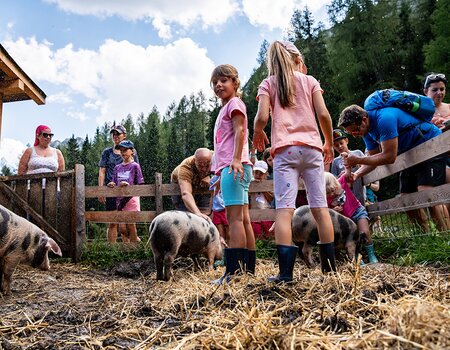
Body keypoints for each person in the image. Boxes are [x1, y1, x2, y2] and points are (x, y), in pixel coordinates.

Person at [253, 40, 336, 282]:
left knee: (284, 211)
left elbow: (262, 117)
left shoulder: (268, 84)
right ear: (298, 60)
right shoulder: (310, 81)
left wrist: (258, 132)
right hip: (311, 150)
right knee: (321, 209)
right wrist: (328, 143)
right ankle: (330, 272)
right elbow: (323, 114)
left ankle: (285, 274)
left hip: (285, 152)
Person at [338, 103, 450, 232]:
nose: (355, 135)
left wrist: (357, 160)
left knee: (426, 192)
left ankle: (444, 237)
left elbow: (389, 157)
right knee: (405, 198)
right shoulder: (366, 132)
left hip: (428, 145)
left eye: (356, 130)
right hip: (409, 154)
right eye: (352, 133)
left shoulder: (384, 119)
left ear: (364, 119)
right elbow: (374, 160)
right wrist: (357, 174)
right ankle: (425, 235)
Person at [210, 64, 255, 284]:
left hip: (234, 166)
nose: (219, 85)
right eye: (215, 82)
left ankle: (233, 272)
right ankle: (248, 269)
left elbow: (240, 131)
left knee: (234, 219)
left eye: (224, 80)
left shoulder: (235, 104)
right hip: (232, 168)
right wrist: (219, 175)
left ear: (235, 83)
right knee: (244, 219)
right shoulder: (225, 108)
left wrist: (235, 160)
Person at [324, 172, 378, 264]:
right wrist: (334, 210)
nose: (332, 194)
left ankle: (371, 254)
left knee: (364, 232)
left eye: (333, 190)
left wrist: (347, 163)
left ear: (335, 183)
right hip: (346, 220)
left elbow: (348, 173)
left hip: (357, 211)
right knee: (352, 239)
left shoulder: (341, 182)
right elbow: (326, 212)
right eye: (328, 193)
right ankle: (356, 257)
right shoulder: (326, 198)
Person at [98, 125, 139, 243]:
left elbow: (136, 171)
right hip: (111, 190)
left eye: (118, 134)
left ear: (124, 135)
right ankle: (112, 251)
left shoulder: (132, 152)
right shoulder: (107, 152)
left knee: (128, 223)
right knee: (113, 221)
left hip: (127, 191)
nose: (115, 136)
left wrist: (133, 189)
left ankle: (132, 248)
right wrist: (101, 190)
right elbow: (102, 171)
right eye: (113, 134)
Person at [107, 140, 144, 243]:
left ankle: (133, 249)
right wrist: (111, 184)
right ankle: (136, 242)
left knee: (131, 225)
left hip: (131, 199)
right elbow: (114, 182)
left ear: (132, 151)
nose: (123, 153)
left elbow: (140, 183)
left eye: (125, 150)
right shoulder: (117, 167)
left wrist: (129, 186)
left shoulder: (135, 166)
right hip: (120, 200)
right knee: (122, 229)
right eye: (121, 151)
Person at [170, 148, 213, 222]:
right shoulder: (186, 167)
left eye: (207, 166)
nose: (203, 169)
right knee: (185, 215)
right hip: (181, 183)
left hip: (202, 185)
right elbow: (185, 193)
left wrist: (212, 178)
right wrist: (197, 213)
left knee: (205, 213)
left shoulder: (216, 157)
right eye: (200, 166)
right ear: (194, 161)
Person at [330, 129, 366, 206]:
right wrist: (341, 176)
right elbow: (334, 180)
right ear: (333, 147)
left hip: (360, 190)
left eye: (341, 143)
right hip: (346, 194)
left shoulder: (358, 153)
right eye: (336, 145)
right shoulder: (335, 162)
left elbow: (366, 167)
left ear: (346, 141)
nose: (340, 146)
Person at [251, 160, 275, 240]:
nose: (257, 175)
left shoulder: (268, 185)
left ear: (265, 175)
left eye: (261, 173)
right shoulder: (251, 184)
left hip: (266, 212)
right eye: (256, 172)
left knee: (269, 233)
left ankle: (267, 248)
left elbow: (270, 198)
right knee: (257, 233)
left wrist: (262, 188)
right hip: (254, 214)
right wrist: (254, 186)